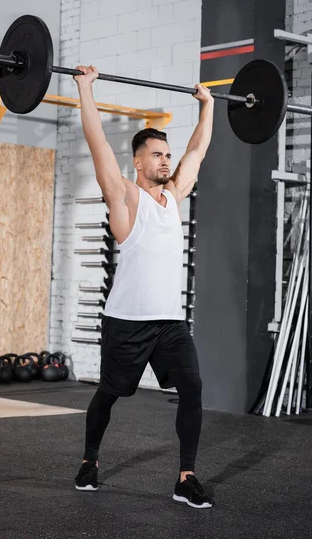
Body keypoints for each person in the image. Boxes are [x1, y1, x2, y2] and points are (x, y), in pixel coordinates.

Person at [73, 65, 214, 509]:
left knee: (192, 386)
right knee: (109, 395)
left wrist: (207, 106)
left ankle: (185, 477)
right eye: (157, 155)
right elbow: (98, 144)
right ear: (138, 162)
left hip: (169, 323)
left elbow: (197, 151)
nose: (166, 161)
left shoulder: (174, 198)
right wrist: (84, 88)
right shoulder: (125, 199)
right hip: (127, 322)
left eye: (166, 155)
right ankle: (89, 461)